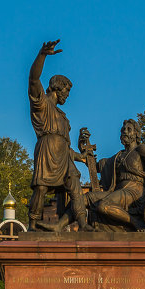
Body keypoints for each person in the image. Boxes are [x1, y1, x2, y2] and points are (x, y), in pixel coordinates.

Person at [27, 39, 89, 232]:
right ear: (57, 87)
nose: (68, 95)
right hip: (47, 149)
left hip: (64, 155)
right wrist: (42, 55)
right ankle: (33, 223)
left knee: (75, 187)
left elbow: (67, 147)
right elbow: (33, 79)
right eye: (67, 90)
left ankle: (83, 223)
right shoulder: (41, 104)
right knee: (42, 187)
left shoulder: (63, 117)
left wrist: (81, 157)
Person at [91, 119, 145, 230]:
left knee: (103, 206)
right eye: (123, 129)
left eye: (129, 129)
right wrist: (85, 150)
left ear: (136, 134)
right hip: (118, 192)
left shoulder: (141, 149)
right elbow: (95, 167)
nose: (125, 131)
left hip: (135, 192)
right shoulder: (118, 156)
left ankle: (135, 222)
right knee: (88, 199)